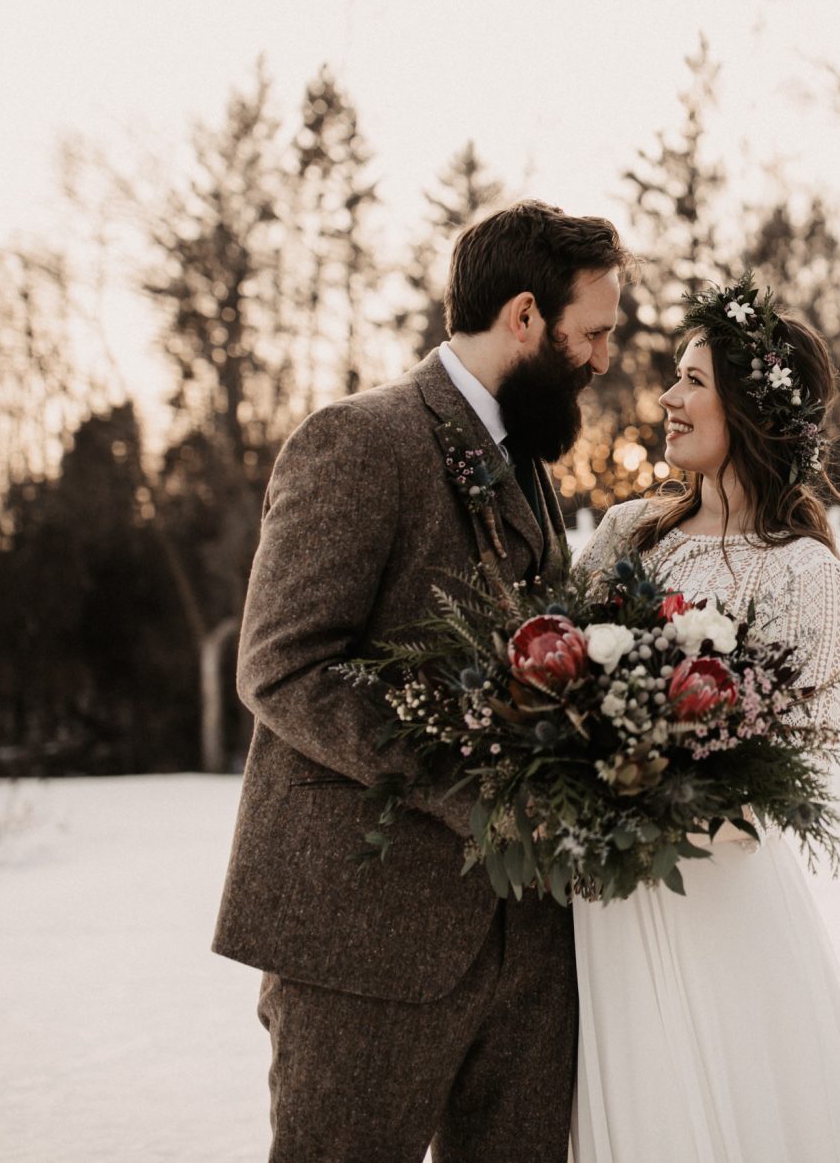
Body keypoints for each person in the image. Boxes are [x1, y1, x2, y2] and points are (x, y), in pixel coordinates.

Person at [213, 200, 626, 1163]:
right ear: (525, 316)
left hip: (526, 945)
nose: (603, 358)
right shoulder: (358, 440)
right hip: (367, 939)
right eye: (593, 332)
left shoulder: (528, 466)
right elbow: (283, 661)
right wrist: (472, 784)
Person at [570, 279, 840, 1162]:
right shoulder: (628, 534)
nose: (669, 400)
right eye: (673, 379)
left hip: (714, 907)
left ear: (750, 408)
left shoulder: (805, 575)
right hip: (593, 908)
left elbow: (785, 784)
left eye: (692, 381)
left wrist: (634, 800)